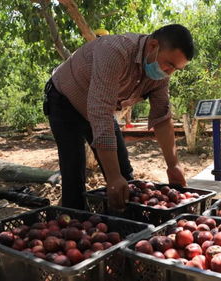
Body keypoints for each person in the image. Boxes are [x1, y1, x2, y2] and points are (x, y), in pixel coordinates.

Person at [44, 24, 194, 211]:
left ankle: (126, 224)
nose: (169, 72)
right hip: (65, 100)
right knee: (74, 171)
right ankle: (73, 221)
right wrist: (113, 176)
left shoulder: (160, 74)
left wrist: (174, 166)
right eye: (170, 64)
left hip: (101, 109)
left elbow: (162, 118)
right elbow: (100, 111)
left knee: (126, 177)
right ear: (153, 46)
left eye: (176, 69)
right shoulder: (115, 51)